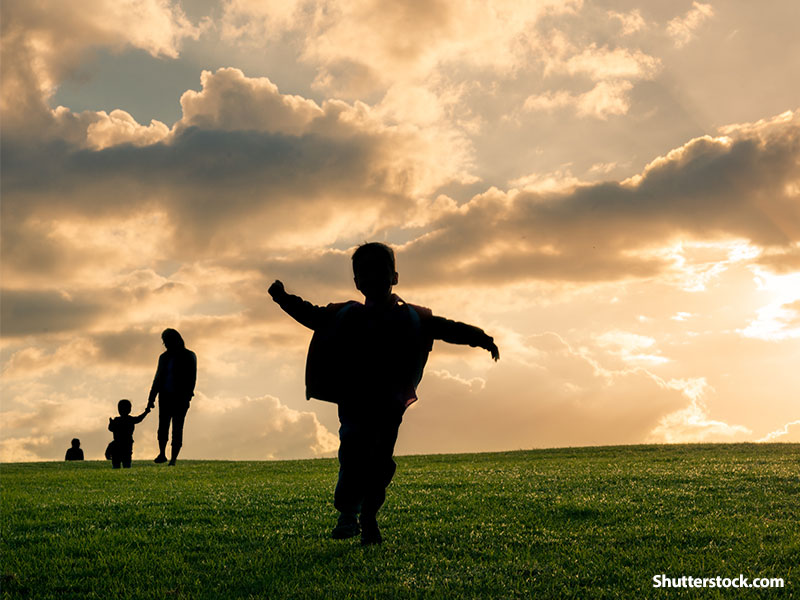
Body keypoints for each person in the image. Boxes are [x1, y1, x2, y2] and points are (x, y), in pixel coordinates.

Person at [269, 242, 499, 545]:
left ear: (395, 277)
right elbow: (309, 314)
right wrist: (282, 297)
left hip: (390, 406)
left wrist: (481, 338)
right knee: (352, 456)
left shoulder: (413, 317)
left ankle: (368, 519)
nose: (372, 278)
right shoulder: (345, 315)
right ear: (356, 282)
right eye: (364, 273)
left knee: (380, 463)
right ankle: (349, 513)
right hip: (355, 403)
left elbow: (449, 329)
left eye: (380, 271)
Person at [147, 328, 197, 466]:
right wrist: (151, 398)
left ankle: (173, 459)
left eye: (167, 341)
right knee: (163, 427)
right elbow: (157, 379)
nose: (165, 344)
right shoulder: (164, 357)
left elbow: (191, 378)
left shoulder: (189, 355)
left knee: (177, 428)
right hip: (165, 396)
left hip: (180, 398)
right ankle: (162, 453)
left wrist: (187, 396)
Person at [108, 399, 150, 469]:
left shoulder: (117, 420)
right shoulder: (130, 419)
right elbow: (139, 419)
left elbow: (111, 429)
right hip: (126, 443)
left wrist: (111, 423)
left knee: (117, 462)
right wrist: (146, 412)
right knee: (126, 461)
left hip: (118, 443)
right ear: (130, 409)